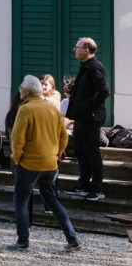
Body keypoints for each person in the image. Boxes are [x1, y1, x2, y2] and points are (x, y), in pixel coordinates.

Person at [8, 75, 81, 251]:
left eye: (20, 88)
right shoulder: (52, 109)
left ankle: (23, 240)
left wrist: (16, 159)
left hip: (30, 164)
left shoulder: (25, 110)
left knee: (21, 199)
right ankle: (73, 239)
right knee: (53, 201)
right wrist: (56, 155)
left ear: (27, 91)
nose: (19, 91)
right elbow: (63, 137)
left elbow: (17, 140)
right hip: (50, 164)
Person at [64, 37, 110, 201]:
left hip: (90, 118)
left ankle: (96, 189)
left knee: (92, 153)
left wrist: (89, 107)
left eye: (77, 47)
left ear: (87, 49)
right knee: (81, 152)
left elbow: (104, 91)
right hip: (82, 117)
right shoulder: (86, 66)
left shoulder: (94, 66)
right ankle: (83, 186)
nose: (75, 50)